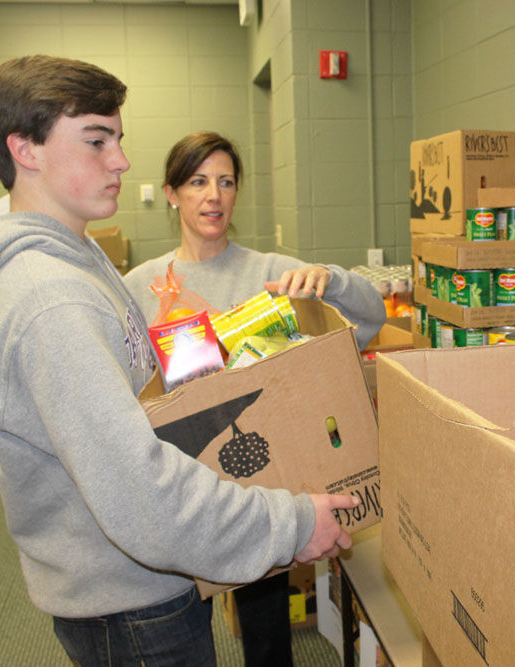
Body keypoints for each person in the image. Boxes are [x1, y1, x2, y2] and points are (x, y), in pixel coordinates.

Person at [0, 55, 360, 667]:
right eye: (96, 140)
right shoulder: (51, 298)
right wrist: (287, 523)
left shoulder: (76, 259)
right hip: (129, 604)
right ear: (25, 150)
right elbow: (140, 491)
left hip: (137, 580)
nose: (122, 161)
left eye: (119, 140)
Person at [124, 131, 386, 665]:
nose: (212, 196)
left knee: (267, 630)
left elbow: (370, 318)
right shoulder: (142, 286)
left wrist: (331, 280)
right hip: (182, 473)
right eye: (197, 182)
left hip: (263, 474)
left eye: (225, 182)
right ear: (172, 193)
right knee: (180, 618)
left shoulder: (271, 274)